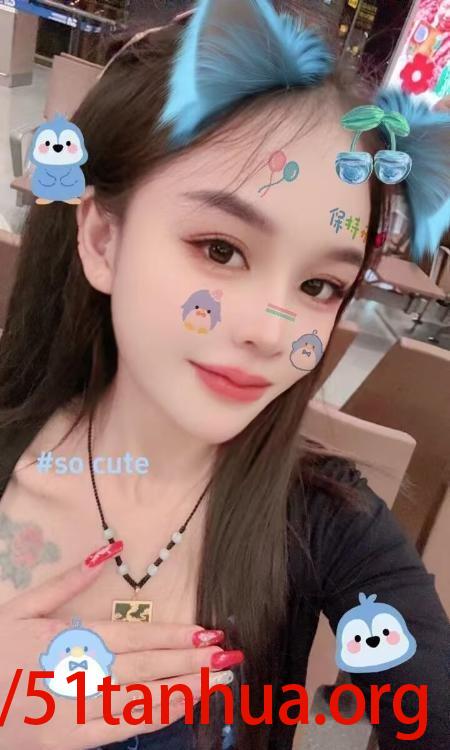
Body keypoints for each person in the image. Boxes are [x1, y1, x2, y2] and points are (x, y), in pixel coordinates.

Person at [0, 1, 448, 749]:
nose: (270, 332)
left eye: (319, 287)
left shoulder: (330, 526)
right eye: (220, 249)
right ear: (103, 239)